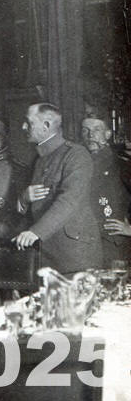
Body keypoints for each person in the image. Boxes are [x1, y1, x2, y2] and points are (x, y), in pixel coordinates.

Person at [13, 104, 102, 274]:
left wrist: (35, 232)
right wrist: (23, 199)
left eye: (29, 122)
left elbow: (69, 200)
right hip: (44, 254)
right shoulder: (37, 159)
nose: (23, 127)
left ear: (46, 125)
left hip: (73, 256)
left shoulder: (76, 155)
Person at [80, 116, 130, 267]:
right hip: (83, 241)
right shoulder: (77, 163)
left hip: (112, 243)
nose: (90, 135)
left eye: (97, 130)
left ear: (108, 134)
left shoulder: (121, 164)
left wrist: (130, 229)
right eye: (85, 130)